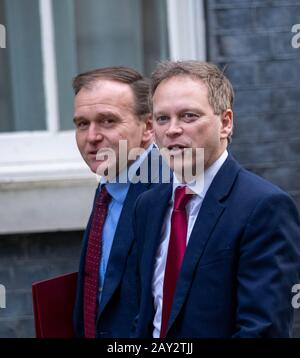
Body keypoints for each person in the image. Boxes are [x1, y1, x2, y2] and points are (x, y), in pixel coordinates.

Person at [133, 60, 300, 338]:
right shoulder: (147, 205)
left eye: (188, 116)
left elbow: (262, 330)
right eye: (162, 118)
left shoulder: (264, 207)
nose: (172, 129)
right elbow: (145, 314)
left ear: (225, 123)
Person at [72, 66, 158, 338]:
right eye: (82, 124)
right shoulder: (108, 186)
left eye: (108, 121)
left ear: (147, 128)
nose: (92, 137)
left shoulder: (173, 193)